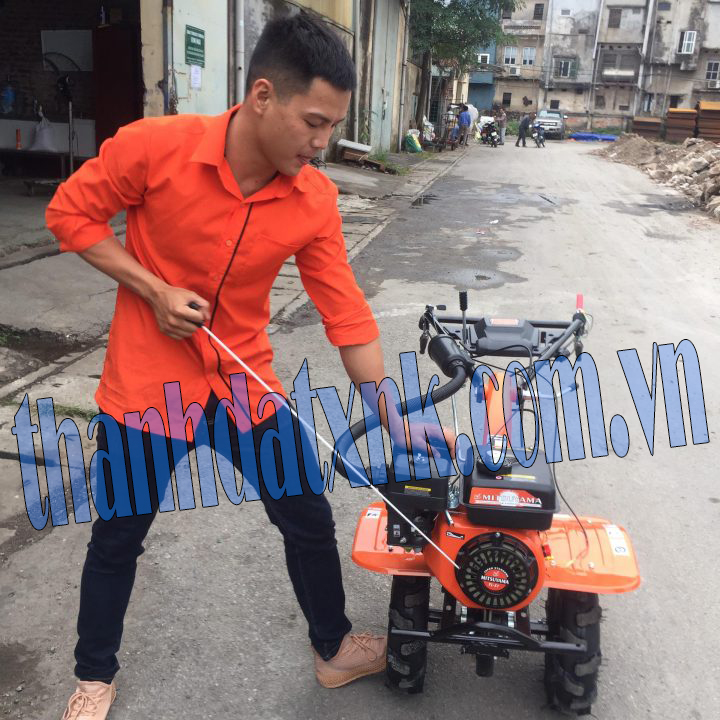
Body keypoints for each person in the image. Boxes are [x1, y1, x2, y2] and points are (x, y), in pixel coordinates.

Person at [47, 14, 454, 720]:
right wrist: (153, 289)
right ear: (263, 95)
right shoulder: (155, 148)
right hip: (148, 387)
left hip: (244, 387)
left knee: (306, 515)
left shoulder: (313, 199)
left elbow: (345, 310)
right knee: (118, 535)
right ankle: (93, 675)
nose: (324, 143)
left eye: (333, 126)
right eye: (314, 123)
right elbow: (69, 215)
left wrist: (392, 416)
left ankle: (333, 648)